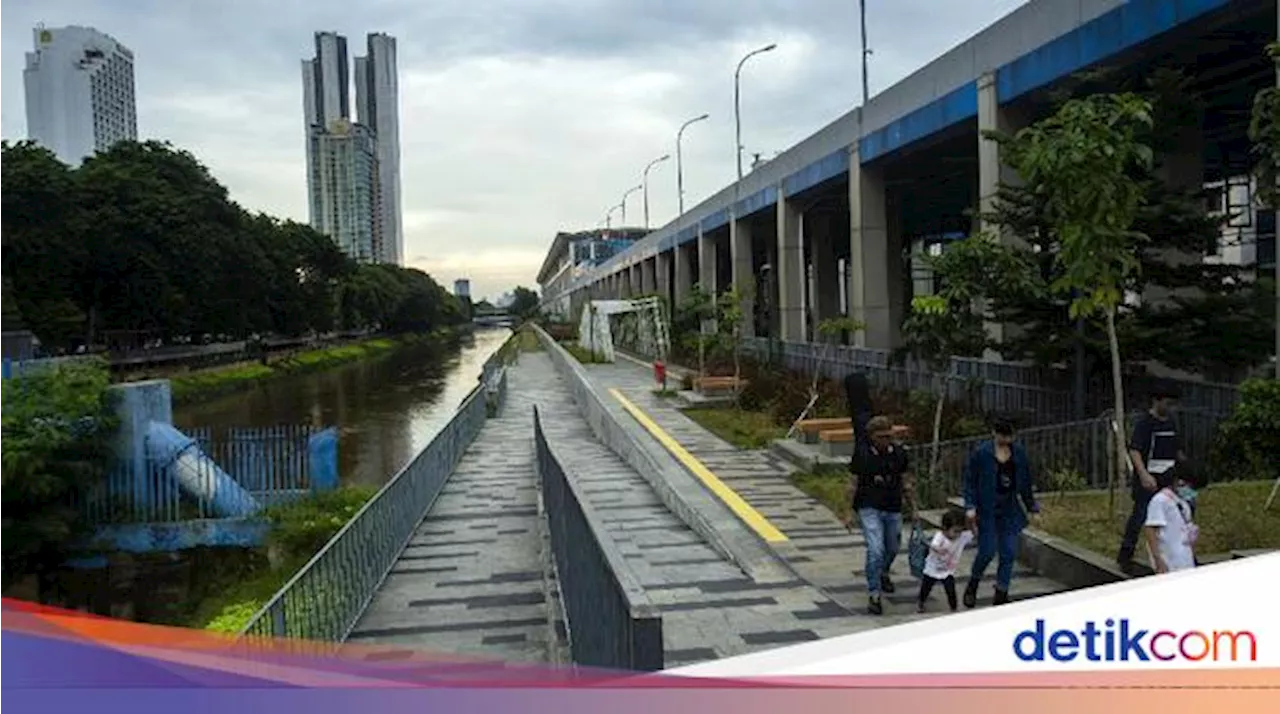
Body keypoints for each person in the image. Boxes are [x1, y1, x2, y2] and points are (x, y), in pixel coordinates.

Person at [961, 417, 1039, 608]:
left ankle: (1002, 592)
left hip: (1009, 509)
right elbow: (970, 481)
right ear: (994, 433)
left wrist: (1031, 507)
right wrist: (970, 506)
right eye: (1002, 435)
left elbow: (1025, 482)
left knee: (1009, 552)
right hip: (987, 508)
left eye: (1009, 436)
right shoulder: (982, 453)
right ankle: (973, 583)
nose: (1006, 440)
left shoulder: (1018, 454)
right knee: (987, 551)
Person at [844, 413, 916, 615]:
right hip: (869, 507)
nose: (886, 440)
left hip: (893, 506)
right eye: (881, 437)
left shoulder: (899, 453)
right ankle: (874, 593)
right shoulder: (863, 455)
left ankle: (883, 572)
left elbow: (905, 480)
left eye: (888, 436)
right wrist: (848, 512)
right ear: (872, 437)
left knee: (893, 547)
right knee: (875, 549)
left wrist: (914, 507)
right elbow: (852, 483)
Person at [1117, 385, 1188, 573]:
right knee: (1140, 515)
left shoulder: (1172, 422)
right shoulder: (1145, 423)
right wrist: (1143, 474)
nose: (1170, 407)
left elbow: (1177, 448)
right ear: (1156, 401)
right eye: (1167, 403)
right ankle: (1126, 553)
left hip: (1169, 476)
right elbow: (1135, 450)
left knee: (1177, 513)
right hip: (1150, 476)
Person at [917, 508, 973, 613]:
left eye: (960, 531)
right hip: (932, 568)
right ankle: (921, 602)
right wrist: (938, 549)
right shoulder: (940, 536)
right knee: (926, 587)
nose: (957, 534)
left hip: (947, 571)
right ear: (945, 529)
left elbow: (973, 533)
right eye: (955, 531)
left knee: (950, 589)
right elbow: (934, 545)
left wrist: (971, 521)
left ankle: (953, 608)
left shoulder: (961, 537)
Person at [1144, 468, 1198, 573]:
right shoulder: (1160, 500)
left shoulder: (1182, 501)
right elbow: (1150, 529)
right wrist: (1157, 559)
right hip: (1169, 561)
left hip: (1184, 560)